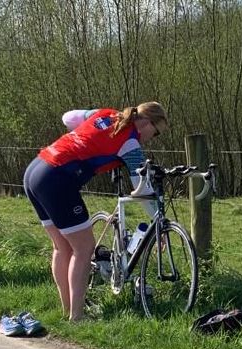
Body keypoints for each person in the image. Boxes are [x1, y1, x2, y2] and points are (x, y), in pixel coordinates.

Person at [23, 102, 168, 322]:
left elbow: (68, 117)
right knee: (83, 248)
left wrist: (84, 139)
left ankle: (68, 311)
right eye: (155, 133)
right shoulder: (130, 143)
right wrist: (159, 220)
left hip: (36, 168)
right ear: (147, 122)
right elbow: (143, 190)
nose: (151, 138)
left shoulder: (106, 114)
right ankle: (77, 317)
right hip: (57, 177)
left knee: (62, 247)